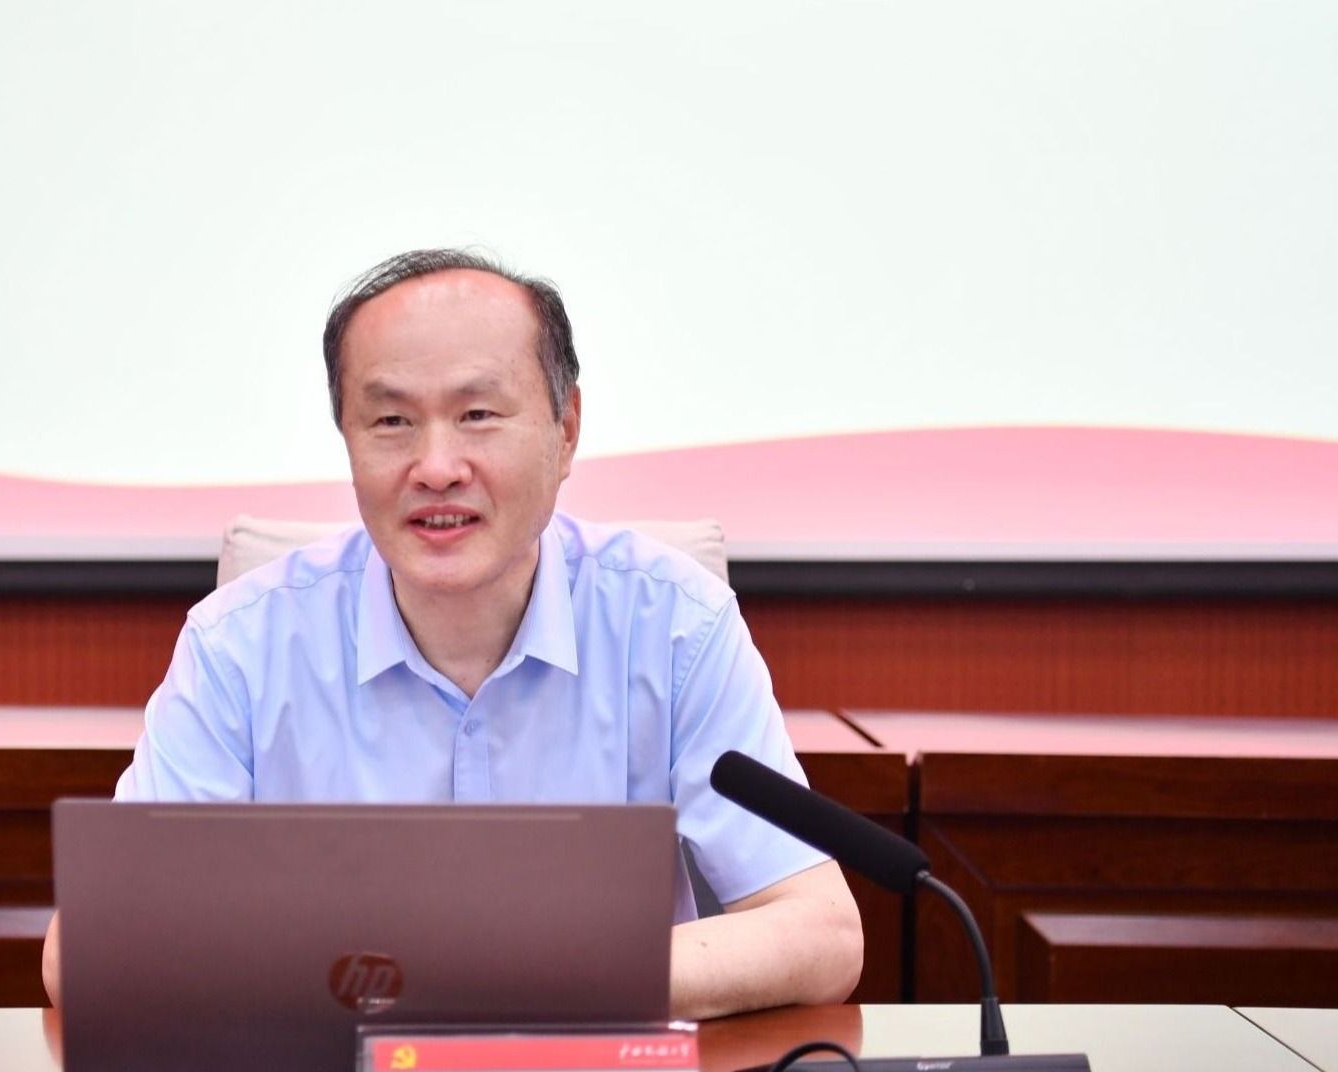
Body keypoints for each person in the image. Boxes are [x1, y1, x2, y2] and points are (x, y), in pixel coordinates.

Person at [42, 249, 861, 1017]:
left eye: (477, 414)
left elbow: (820, 931)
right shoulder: (242, 649)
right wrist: (381, 985)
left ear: (565, 430)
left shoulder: (675, 627)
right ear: (347, 439)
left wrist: (537, 981)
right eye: (391, 421)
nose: (436, 467)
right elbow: (85, 950)